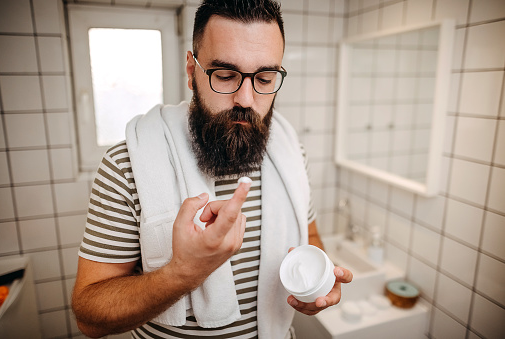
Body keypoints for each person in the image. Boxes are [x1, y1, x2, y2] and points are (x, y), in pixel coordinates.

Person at [72, 0, 353, 338]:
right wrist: (183, 273)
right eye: (225, 75)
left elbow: (309, 238)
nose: (246, 99)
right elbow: (89, 318)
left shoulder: (292, 154)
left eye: (264, 78)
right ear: (192, 71)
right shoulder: (128, 165)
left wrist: (319, 279)